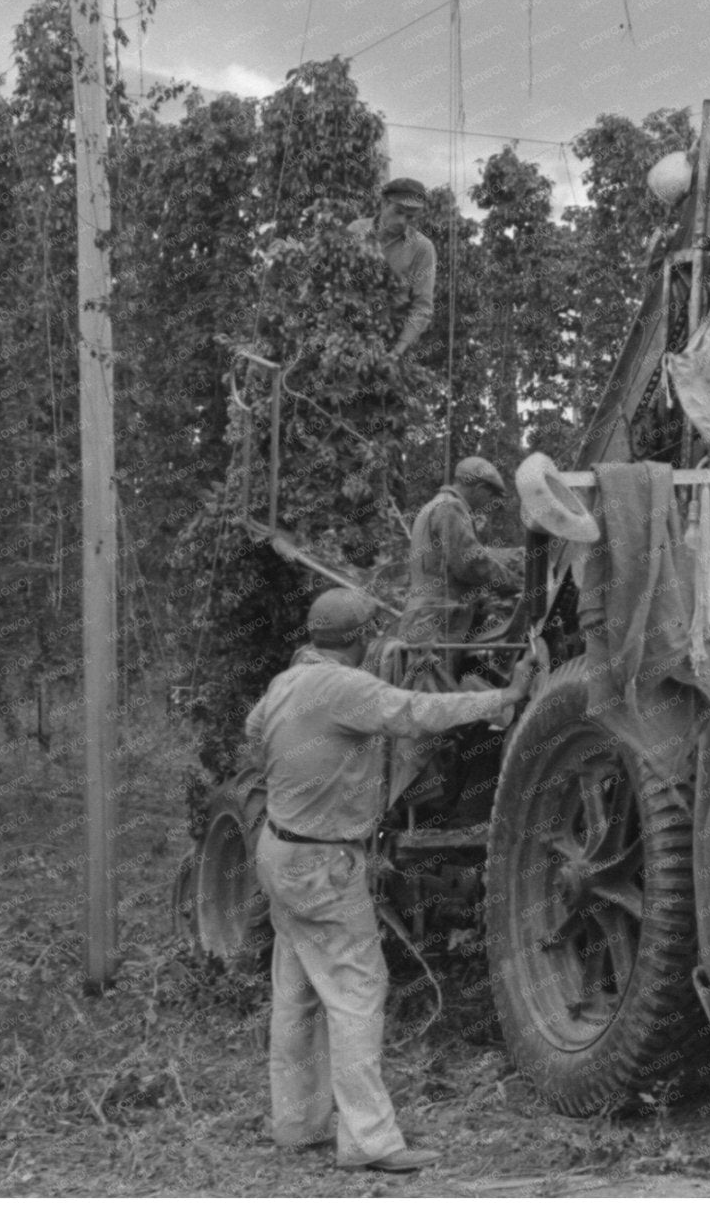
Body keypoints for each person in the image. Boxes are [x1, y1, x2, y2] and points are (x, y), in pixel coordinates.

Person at [245, 587, 535, 1173]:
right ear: (359, 639)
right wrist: (504, 697)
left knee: (297, 992)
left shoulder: (284, 683)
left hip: (278, 850)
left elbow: (255, 732)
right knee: (357, 994)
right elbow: (415, 712)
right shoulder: (345, 687)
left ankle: (297, 1123)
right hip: (324, 863)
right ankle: (370, 1142)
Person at [396, 456, 521, 658]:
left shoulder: (433, 506)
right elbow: (470, 563)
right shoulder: (451, 508)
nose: (490, 504)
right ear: (479, 488)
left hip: (424, 616)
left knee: (418, 683)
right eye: (492, 497)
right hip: (439, 620)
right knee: (434, 683)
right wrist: (514, 583)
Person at [346, 177, 437, 355]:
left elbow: (422, 306)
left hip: (391, 340)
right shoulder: (355, 231)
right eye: (398, 212)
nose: (403, 221)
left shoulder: (422, 248)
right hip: (347, 333)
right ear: (384, 203)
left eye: (410, 217)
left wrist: (397, 350)